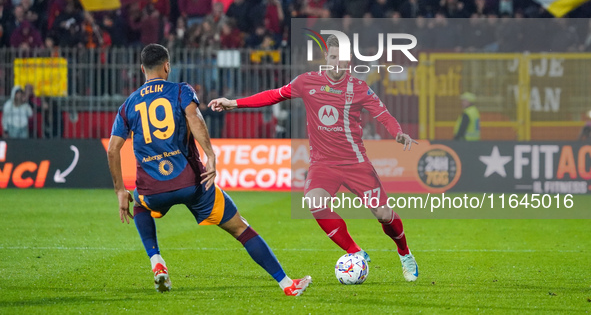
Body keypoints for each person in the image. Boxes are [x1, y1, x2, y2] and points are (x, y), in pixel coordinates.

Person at [209, 35, 420, 282]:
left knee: (384, 214)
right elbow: (273, 95)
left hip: (356, 163)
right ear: (326, 58)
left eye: (341, 59)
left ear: (349, 61)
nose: (336, 63)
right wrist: (234, 103)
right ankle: (355, 252)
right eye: (332, 57)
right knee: (314, 202)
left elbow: (383, 115)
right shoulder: (306, 82)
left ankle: (405, 253)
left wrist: (398, 134)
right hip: (323, 164)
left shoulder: (359, 88)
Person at [107, 44, 311, 295]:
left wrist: (119, 190)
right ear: (167, 66)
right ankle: (287, 283)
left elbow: (113, 149)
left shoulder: (128, 104)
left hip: (154, 189)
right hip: (193, 183)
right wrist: (211, 156)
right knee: (241, 228)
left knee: (139, 202)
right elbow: (195, 119)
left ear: (142, 69)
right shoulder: (181, 90)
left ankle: (156, 261)